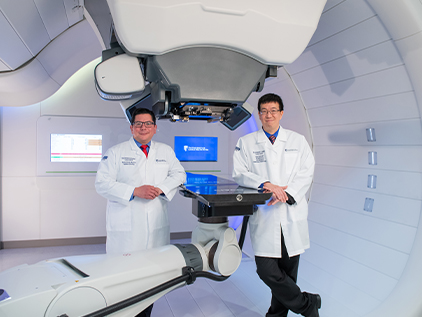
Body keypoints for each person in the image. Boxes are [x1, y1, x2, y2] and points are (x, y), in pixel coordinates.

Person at [232, 93, 320, 317]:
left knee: (288, 275)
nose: (268, 115)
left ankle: (276, 315)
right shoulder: (247, 142)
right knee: (267, 271)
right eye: (264, 111)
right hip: (265, 212)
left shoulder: (297, 141)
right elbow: (240, 173)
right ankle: (308, 304)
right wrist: (265, 184)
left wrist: (286, 193)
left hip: (291, 212)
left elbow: (307, 171)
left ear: (281, 113)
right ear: (259, 114)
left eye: (273, 110)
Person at [95, 107, 186, 317]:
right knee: (125, 282)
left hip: (155, 224)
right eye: (138, 124)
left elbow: (180, 174)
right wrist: (134, 191)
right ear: (131, 127)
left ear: (155, 128)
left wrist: (161, 188)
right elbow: (102, 184)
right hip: (126, 228)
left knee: (152, 280)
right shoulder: (116, 152)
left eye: (147, 124)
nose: (143, 127)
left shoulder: (165, 151)